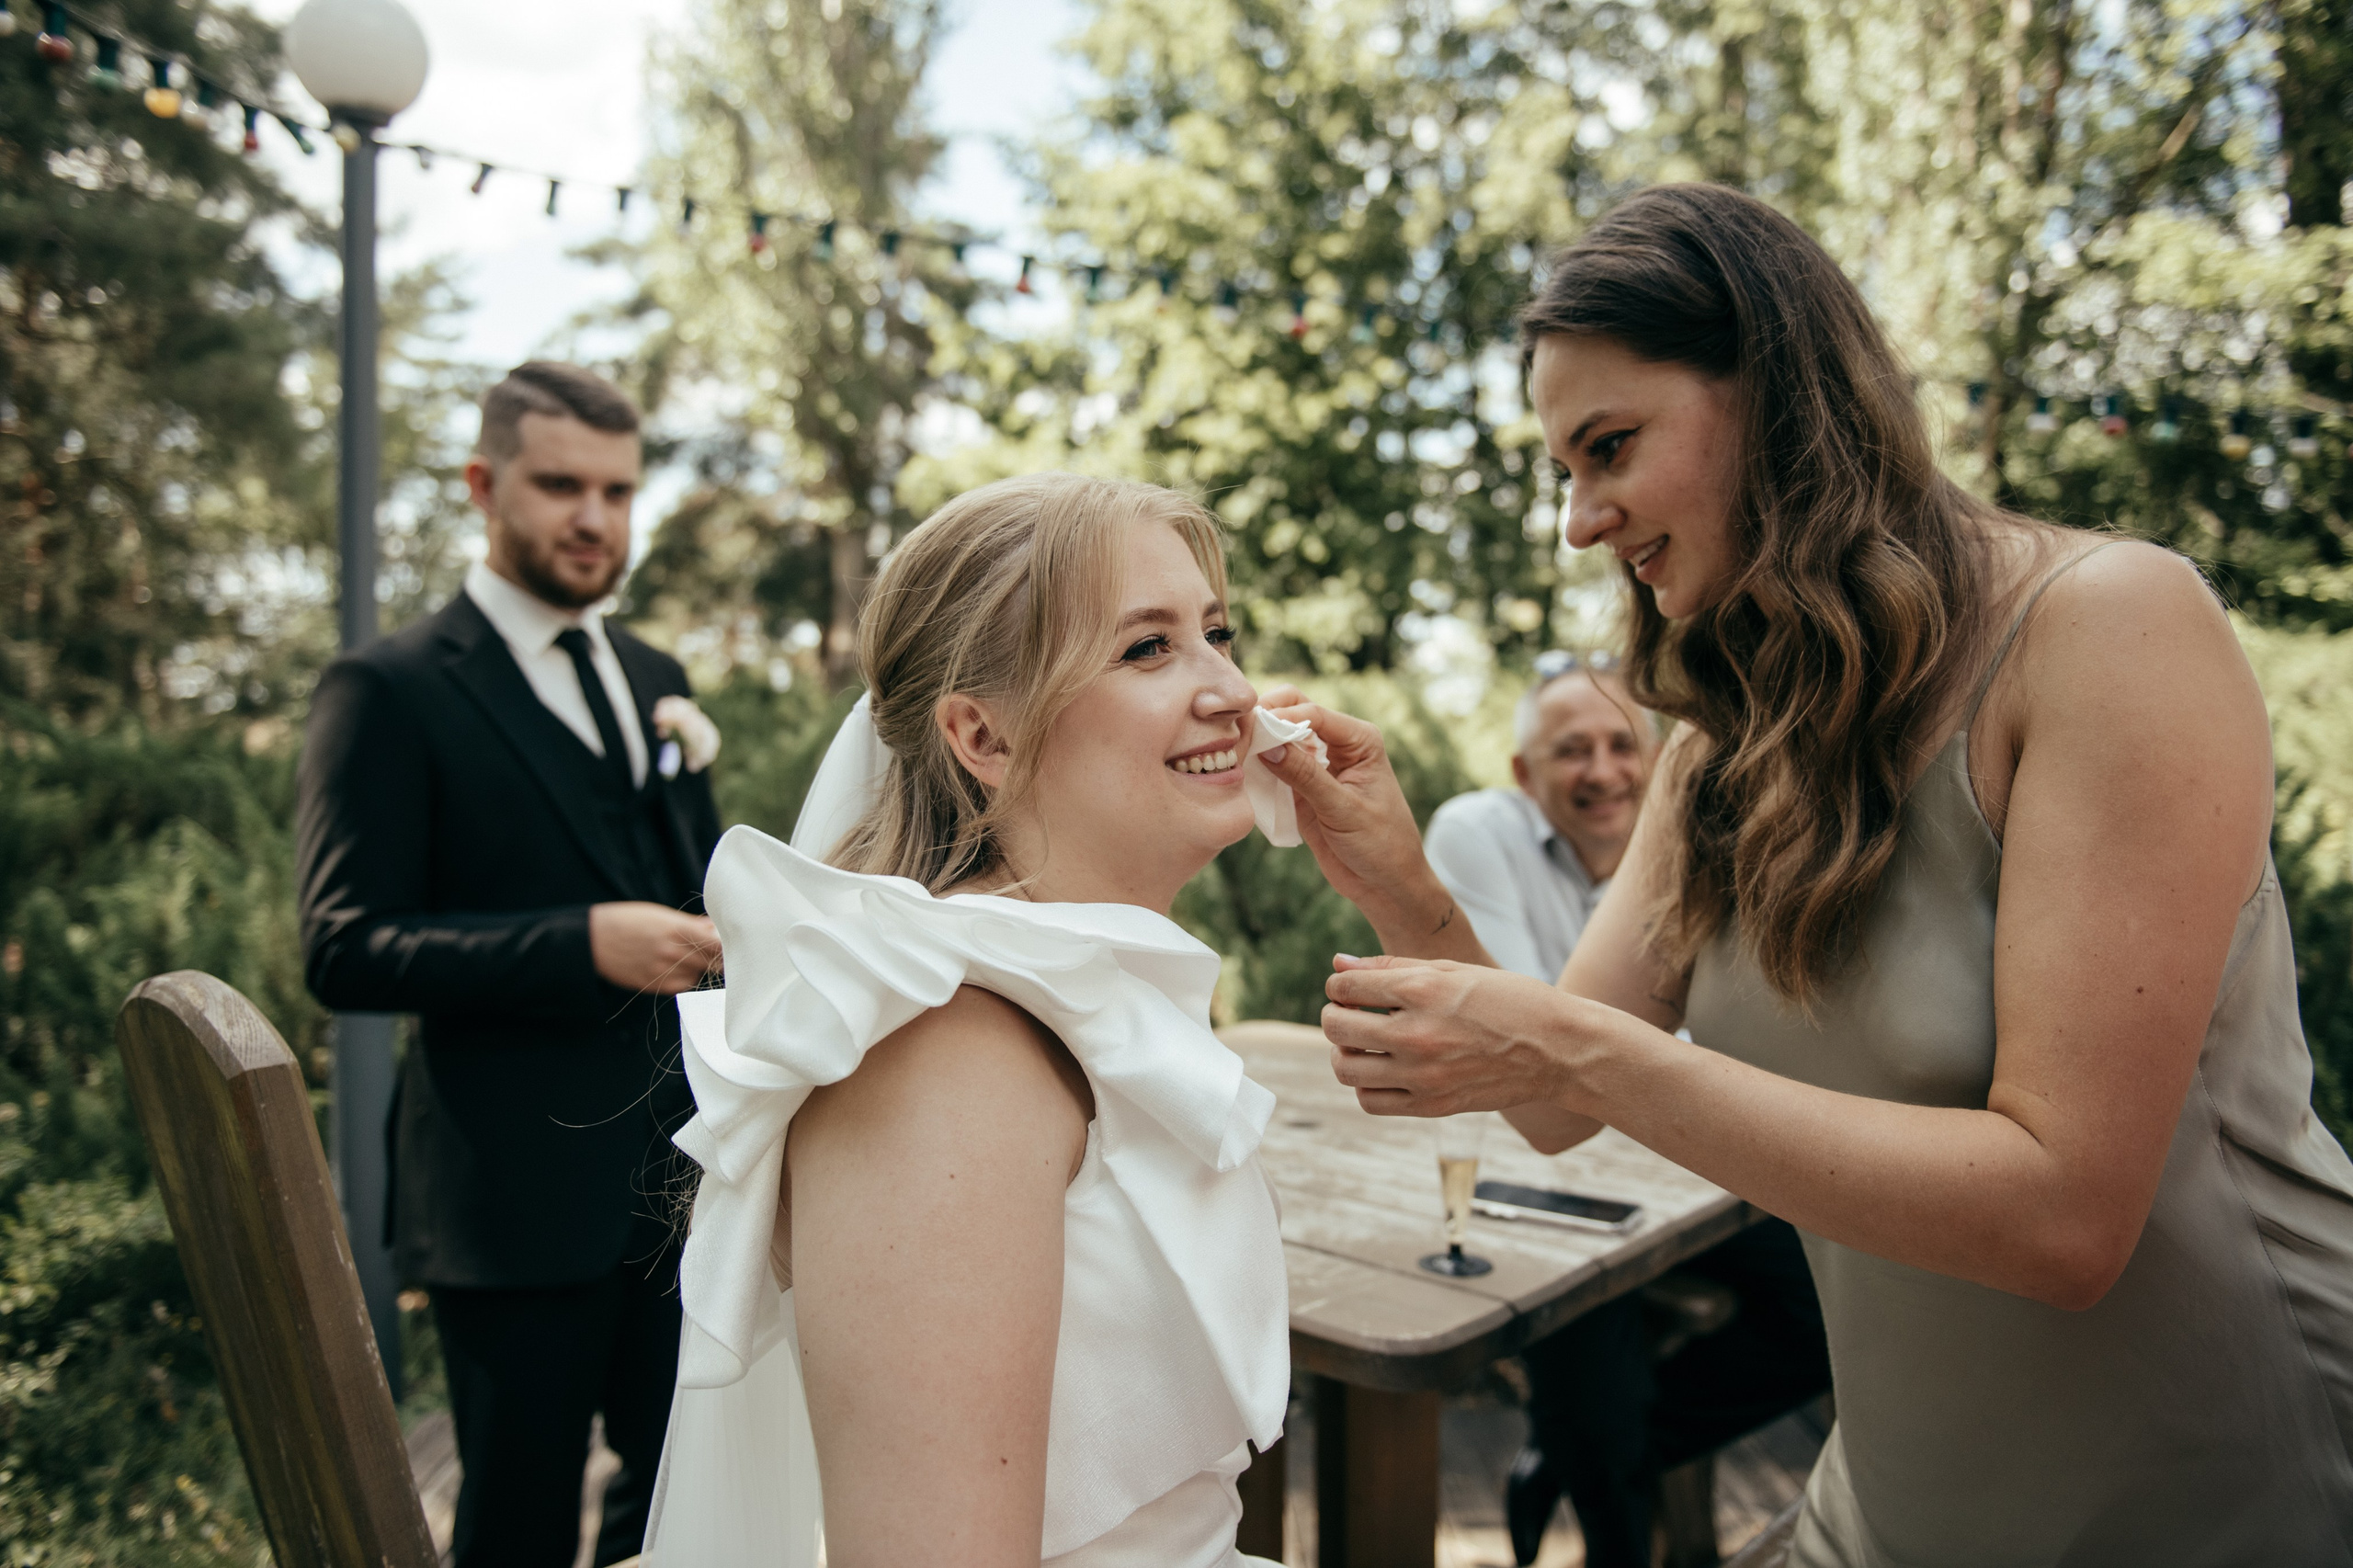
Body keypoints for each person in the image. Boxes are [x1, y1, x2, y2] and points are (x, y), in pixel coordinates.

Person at [1257, 184, 2353, 1564]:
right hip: (1905, 1504)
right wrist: (1398, 878)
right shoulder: (1724, 742)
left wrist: (1584, 1052)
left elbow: (2068, 1216)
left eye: (1611, 448)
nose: (1582, 523)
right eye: (1565, 471)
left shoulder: (2108, 627)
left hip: (2229, 1491)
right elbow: (1546, 1106)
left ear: (1776, 394)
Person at [639, 474, 1297, 1568]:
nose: (1230, 687)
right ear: (981, 735)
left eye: (1217, 633)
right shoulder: (944, 1060)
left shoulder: (1065, 994)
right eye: (1147, 648)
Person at [296, 362, 724, 1568]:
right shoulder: (385, 690)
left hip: (681, 1177)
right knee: (519, 1525)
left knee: (685, 1497)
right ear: (486, 486)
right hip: (507, 1199)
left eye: (618, 490)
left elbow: (694, 881)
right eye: (560, 485)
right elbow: (344, 943)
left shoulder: (657, 681)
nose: (594, 518)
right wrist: (580, 942)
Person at [1428, 657, 1828, 1567]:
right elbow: (1514, 1040)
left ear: (1654, 762)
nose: (1602, 770)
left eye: (1620, 745)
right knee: (1582, 1345)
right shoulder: (1477, 832)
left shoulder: (1710, 837)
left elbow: (1735, 1038)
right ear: (1525, 776)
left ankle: (1572, 1460)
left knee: (1821, 1316)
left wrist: (1610, 1064)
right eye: (1571, 750)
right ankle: (1596, 1472)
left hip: (1688, 1168)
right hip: (1541, 1167)